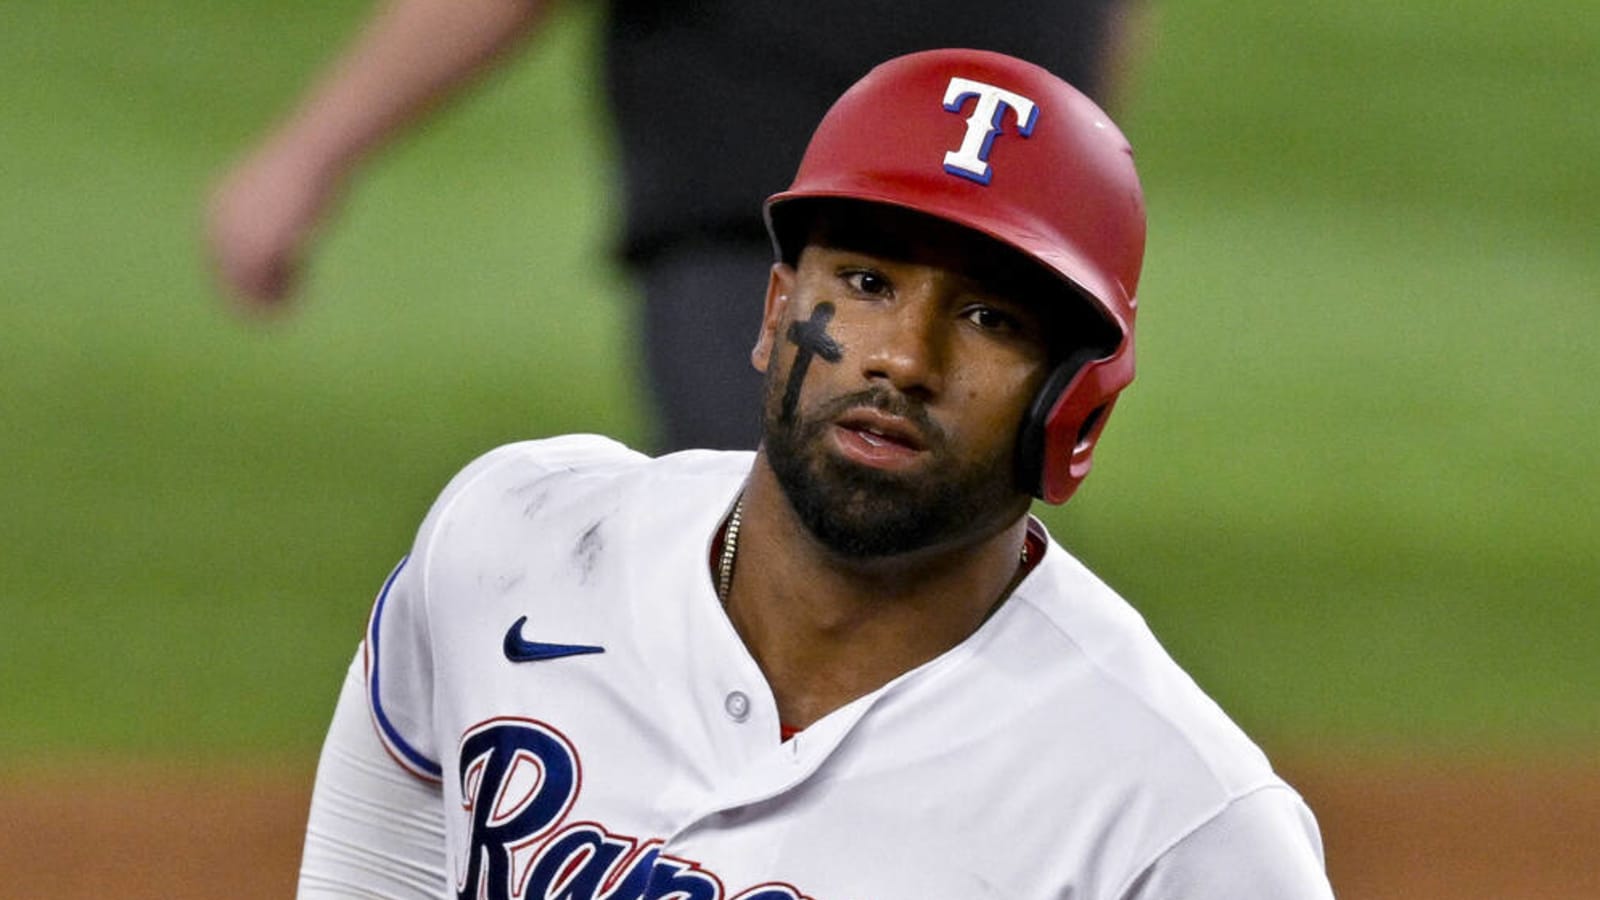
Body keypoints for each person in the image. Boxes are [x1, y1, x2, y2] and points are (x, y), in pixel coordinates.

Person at [297, 49, 1335, 899]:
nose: (901, 357)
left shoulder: (1176, 819)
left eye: (990, 319)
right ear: (774, 309)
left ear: (1076, 402)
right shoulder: (515, 543)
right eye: (868, 282)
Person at [206, 0, 1146, 452]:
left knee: (819, 573)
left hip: (780, 228)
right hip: (1003, 247)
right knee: (909, 576)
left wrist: (309, 154)